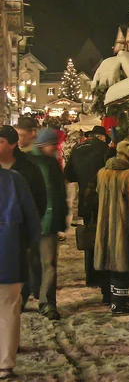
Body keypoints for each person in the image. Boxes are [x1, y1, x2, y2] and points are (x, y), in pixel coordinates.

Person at [94, 137, 129, 315]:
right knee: (122, 263)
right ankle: (119, 303)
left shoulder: (102, 172)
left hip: (106, 225)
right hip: (126, 226)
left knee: (112, 262)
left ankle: (112, 298)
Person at [0, 168, 41, 380]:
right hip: (9, 255)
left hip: (11, 253)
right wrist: (24, 246)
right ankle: (5, 363)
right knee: (8, 309)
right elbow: (32, 220)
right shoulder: (14, 179)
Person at [0, 126, 47, 309]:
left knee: (23, 266)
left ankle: (22, 297)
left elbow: (39, 198)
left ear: (12, 144)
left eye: (1, 142)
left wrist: (31, 226)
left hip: (19, 231)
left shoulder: (27, 168)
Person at [63, 125, 113, 300]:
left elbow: (69, 175)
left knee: (90, 240)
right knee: (105, 242)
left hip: (86, 201)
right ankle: (106, 284)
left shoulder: (77, 149)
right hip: (103, 201)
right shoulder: (106, 150)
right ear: (101, 137)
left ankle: (92, 276)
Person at [28, 129, 68, 320]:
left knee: (49, 264)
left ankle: (47, 302)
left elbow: (59, 192)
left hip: (49, 222)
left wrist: (62, 215)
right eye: (55, 145)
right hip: (30, 221)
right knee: (29, 262)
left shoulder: (53, 163)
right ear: (44, 144)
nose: (57, 148)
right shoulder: (28, 161)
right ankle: (23, 297)